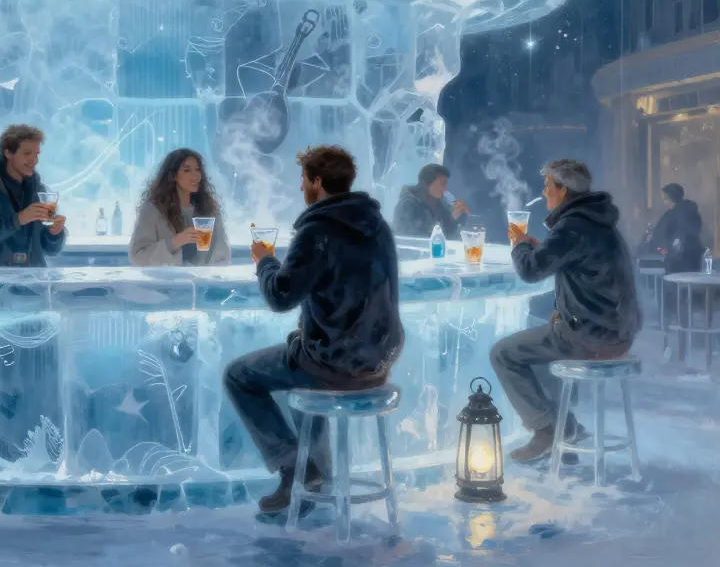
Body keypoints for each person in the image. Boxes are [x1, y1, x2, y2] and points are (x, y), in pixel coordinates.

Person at [225, 145, 404, 515]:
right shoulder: (377, 226)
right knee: (305, 361)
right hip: (378, 362)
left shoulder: (318, 231)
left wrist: (265, 262)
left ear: (317, 182)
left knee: (239, 375)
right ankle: (316, 476)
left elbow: (280, 296)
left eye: (304, 179)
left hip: (335, 364)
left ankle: (296, 468)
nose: (300, 187)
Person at [492, 159, 641, 464]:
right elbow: (580, 269)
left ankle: (547, 430)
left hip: (593, 336)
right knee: (541, 342)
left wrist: (519, 246)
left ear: (563, 190)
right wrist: (539, 248)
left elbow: (530, 271)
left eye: (548, 186)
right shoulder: (595, 221)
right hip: (616, 331)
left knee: (503, 354)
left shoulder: (572, 226)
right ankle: (566, 426)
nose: (544, 192)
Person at [0, 125, 67, 267]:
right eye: (27, 153)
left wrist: (54, 234)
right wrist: (17, 220)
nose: (34, 161)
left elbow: (50, 250)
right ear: (8, 152)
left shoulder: (39, 190)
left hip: (34, 276)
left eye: (36, 154)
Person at [129, 149, 232, 267]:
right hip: (166, 278)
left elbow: (223, 254)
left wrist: (207, 273)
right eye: (187, 170)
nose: (195, 176)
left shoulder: (209, 210)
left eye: (198, 169)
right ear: (173, 176)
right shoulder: (152, 210)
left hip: (203, 278)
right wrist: (174, 242)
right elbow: (137, 255)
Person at [391, 163, 469, 238]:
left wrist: (455, 217)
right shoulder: (407, 206)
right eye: (442, 183)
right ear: (425, 183)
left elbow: (450, 235)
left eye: (446, 184)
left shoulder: (441, 204)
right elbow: (406, 237)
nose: (446, 188)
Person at [648, 183, 705, 275]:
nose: (663, 201)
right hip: (692, 257)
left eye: (665, 198)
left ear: (672, 198)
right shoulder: (686, 211)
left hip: (682, 259)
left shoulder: (679, 213)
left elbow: (679, 236)